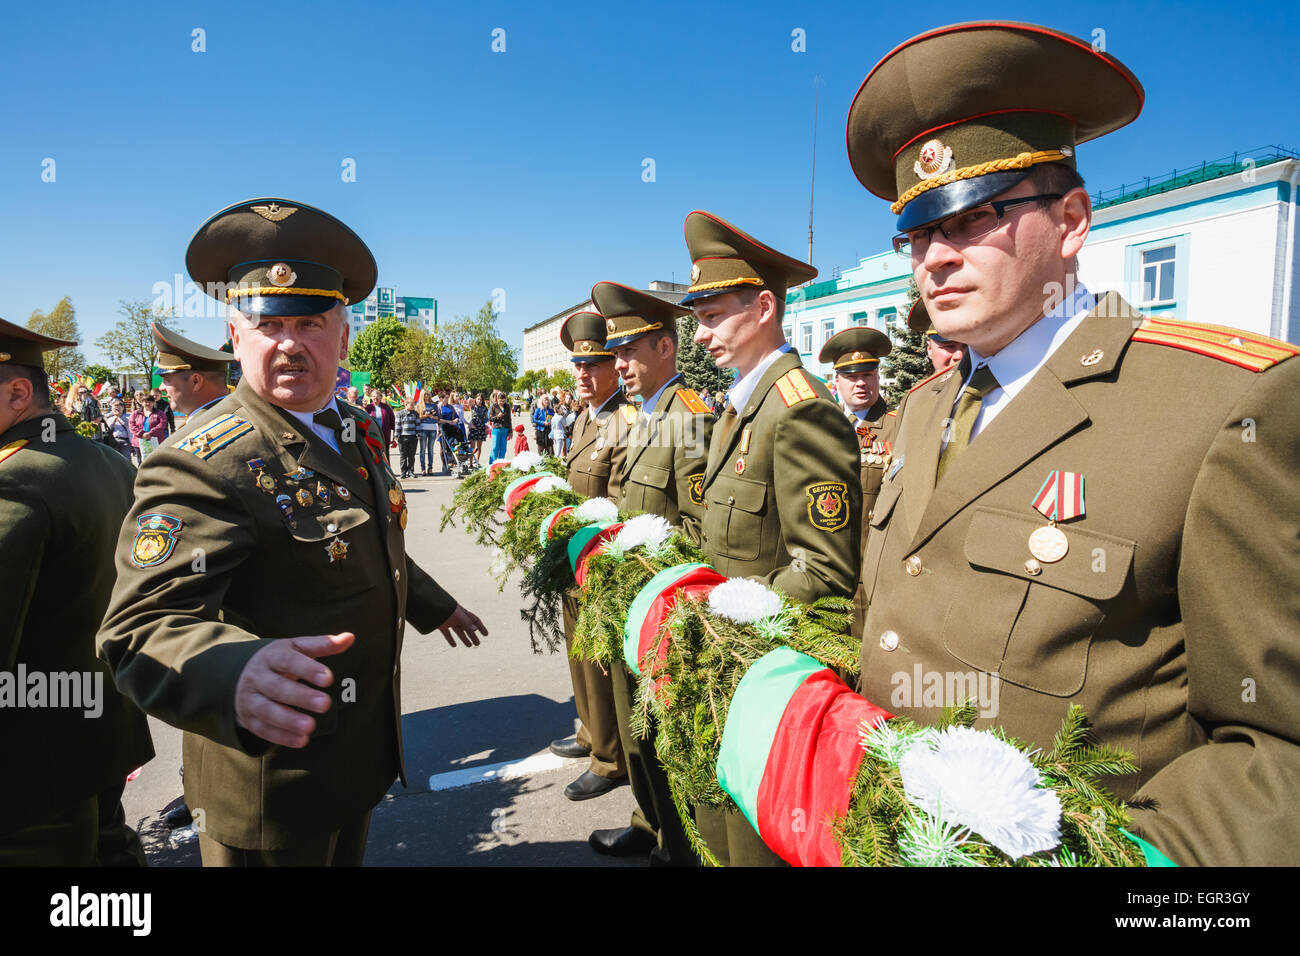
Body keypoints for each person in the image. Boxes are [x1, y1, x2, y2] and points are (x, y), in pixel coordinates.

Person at [845, 21, 1300, 865]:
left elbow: (1276, 753)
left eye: (973, 217)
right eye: (916, 234)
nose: (935, 259)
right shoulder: (922, 408)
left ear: (1072, 221)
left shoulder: (1221, 408)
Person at [97, 197, 488, 867]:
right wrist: (230, 672)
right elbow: (139, 628)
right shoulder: (204, 459)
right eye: (265, 323)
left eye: (310, 322)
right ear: (235, 334)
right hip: (270, 784)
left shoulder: (349, 429)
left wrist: (434, 604)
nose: (288, 343)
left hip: (355, 760)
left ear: (343, 336)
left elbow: (370, 543)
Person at [682, 210, 862, 866]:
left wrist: (726, 616)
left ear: (763, 307)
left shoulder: (800, 408)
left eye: (711, 316)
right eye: (695, 318)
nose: (699, 335)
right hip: (726, 662)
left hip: (767, 678)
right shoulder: (741, 405)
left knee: (753, 849)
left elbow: (824, 569)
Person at [0, 318, 154, 867]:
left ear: (19, 392)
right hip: (105, 726)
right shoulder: (110, 462)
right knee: (111, 854)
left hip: (30, 762)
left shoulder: (13, 478)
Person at [588, 280, 715, 864]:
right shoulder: (641, 415)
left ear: (666, 348)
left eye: (629, 353)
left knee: (664, 729)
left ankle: (676, 842)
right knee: (633, 722)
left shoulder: (684, 415)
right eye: (615, 355)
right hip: (630, 598)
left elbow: (697, 528)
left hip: (662, 602)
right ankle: (648, 819)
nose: (621, 366)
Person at [548, 310, 636, 800]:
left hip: (599, 561)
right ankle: (590, 733)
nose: (582, 375)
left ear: (613, 367)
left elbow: (619, 503)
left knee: (601, 662)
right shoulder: (586, 416)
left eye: (593, 365)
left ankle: (610, 759)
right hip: (573, 558)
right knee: (578, 654)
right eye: (577, 366)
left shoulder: (626, 421)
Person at [818, 326, 895, 631]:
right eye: (851, 376)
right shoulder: (823, 425)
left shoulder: (899, 427)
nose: (861, 383)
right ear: (836, 382)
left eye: (868, 375)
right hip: (826, 567)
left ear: (878, 377)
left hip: (872, 571)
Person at [153, 322, 234, 427]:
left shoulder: (208, 427)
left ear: (196, 381)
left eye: (167, 380)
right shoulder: (224, 417)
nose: (161, 387)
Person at [128, 393, 169, 463]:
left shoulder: (160, 413)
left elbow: (162, 424)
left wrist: (150, 433)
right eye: (145, 401)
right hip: (139, 442)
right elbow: (131, 425)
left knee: (156, 462)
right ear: (141, 402)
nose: (147, 403)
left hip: (156, 441)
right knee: (141, 462)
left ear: (153, 402)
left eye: (150, 401)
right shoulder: (135, 413)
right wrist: (142, 434)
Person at [395, 398, 420, 479]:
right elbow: (397, 425)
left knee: (411, 455)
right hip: (402, 437)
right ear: (406, 404)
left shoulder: (415, 414)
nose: (413, 406)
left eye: (413, 404)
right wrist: (396, 435)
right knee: (403, 455)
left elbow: (418, 425)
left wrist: (419, 434)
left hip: (413, 437)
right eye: (411, 404)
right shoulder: (400, 413)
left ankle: (411, 471)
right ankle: (403, 472)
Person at [418, 397, 441, 476]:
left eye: (428, 394)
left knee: (430, 450)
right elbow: (418, 417)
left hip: (432, 429)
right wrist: (426, 416)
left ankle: (430, 468)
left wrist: (431, 416)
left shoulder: (434, 405)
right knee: (422, 449)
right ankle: (423, 469)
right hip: (423, 429)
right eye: (425, 394)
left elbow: (438, 418)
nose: (427, 396)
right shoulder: (420, 405)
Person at [487, 389, 511, 463]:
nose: (502, 403)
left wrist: (510, 431)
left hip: (505, 429)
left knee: (503, 448)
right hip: (496, 429)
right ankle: (492, 464)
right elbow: (490, 418)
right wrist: (498, 416)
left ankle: (500, 463)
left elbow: (509, 419)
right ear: (497, 399)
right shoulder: (494, 406)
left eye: (503, 401)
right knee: (494, 448)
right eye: (500, 401)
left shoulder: (507, 406)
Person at [466, 394, 487, 463]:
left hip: (481, 428)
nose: (480, 401)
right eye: (478, 399)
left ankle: (477, 461)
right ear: (475, 399)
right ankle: (471, 462)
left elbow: (486, 419)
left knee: (479, 447)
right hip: (473, 427)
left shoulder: (484, 408)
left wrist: (486, 428)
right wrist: (470, 397)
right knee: (472, 446)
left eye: (481, 399)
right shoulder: (473, 407)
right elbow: (468, 401)